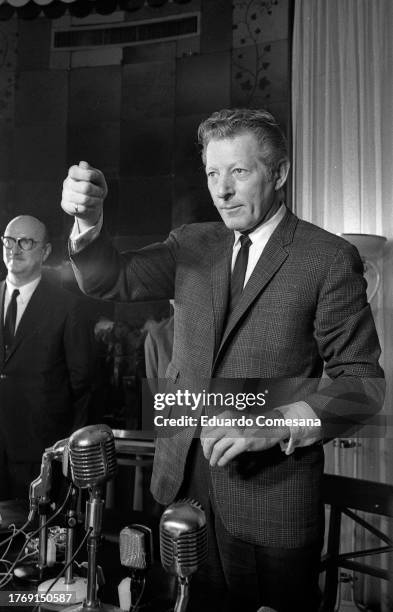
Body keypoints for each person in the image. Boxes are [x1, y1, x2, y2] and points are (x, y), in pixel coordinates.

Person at [61, 110, 384, 612]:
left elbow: (363, 384)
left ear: (278, 173)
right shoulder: (192, 243)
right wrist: (87, 223)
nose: (222, 190)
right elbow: (109, 279)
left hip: (270, 501)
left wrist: (276, 422)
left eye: (239, 171)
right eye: (213, 173)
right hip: (177, 484)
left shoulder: (327, 258)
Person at [0, 215, 94, 500]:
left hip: (40, 453)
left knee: (34, 540)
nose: (14, 249)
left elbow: (86, 386)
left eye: (25, 242)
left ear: (45, 252)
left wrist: (71, 452)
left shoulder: (68, 308)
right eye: (8, 240)